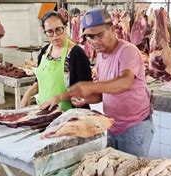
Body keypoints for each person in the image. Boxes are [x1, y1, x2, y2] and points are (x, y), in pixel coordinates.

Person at [66, 9, 154, 157]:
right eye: (90, 37)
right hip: (112, 125)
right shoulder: (101, 57)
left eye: (99, 35)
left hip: (134, 127)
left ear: (112, 29)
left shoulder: (127, 51)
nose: (95, 41)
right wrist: (85, 99)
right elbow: (102, 95)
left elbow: (125, 82)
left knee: (132, 174)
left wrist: (89, 86)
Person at [20, 11, 92, 111]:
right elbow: (40, 81)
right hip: (45, 111)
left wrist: (58, 98)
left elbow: (86, 88)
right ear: (45, 32)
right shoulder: (44, 52)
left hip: (68, 115)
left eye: (58, 30)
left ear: (65, 28)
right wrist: (28, 94)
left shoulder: (76, 53)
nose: (55, 36)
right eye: (50, 31)